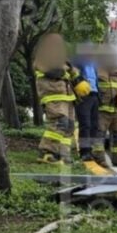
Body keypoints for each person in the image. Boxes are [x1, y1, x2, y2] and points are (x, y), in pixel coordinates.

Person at [34, 33, 86, 164]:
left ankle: (64, 155)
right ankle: (46, 152)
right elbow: (55, 72)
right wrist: (68, 70)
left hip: (67, 97)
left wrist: (78, 79)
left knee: (69, 126)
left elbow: (74, 73)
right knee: (59, 123)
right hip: (53, 96)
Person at [72, 43, 101, 161]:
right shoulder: (77, 63)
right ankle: (84, 151)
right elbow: (73, 77)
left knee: (94, 125)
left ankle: (90, 149)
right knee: (85, 125)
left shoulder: (94, 64)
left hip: (94, 96)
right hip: (84, 97)